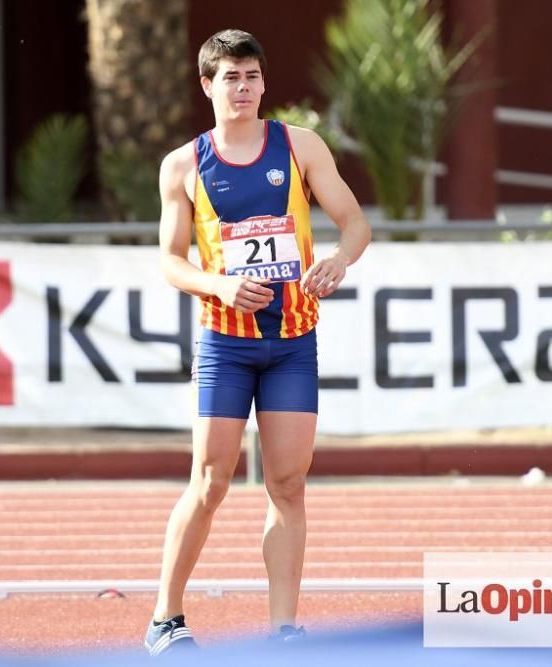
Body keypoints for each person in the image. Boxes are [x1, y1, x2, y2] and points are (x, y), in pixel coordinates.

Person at [144, 29, 371, 655]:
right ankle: (166, 617)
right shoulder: (184, 166)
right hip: (227, 342)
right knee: (211, 480)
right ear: (207, 86)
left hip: (293, 340)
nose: (242, 89)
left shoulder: (299, 148)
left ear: (264, 82)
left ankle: (283, 630)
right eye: (229, 78)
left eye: (251, 77)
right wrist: (219, 285)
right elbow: (169, 261)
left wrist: (339, 260)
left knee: (288, 484)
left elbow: (354, 223)